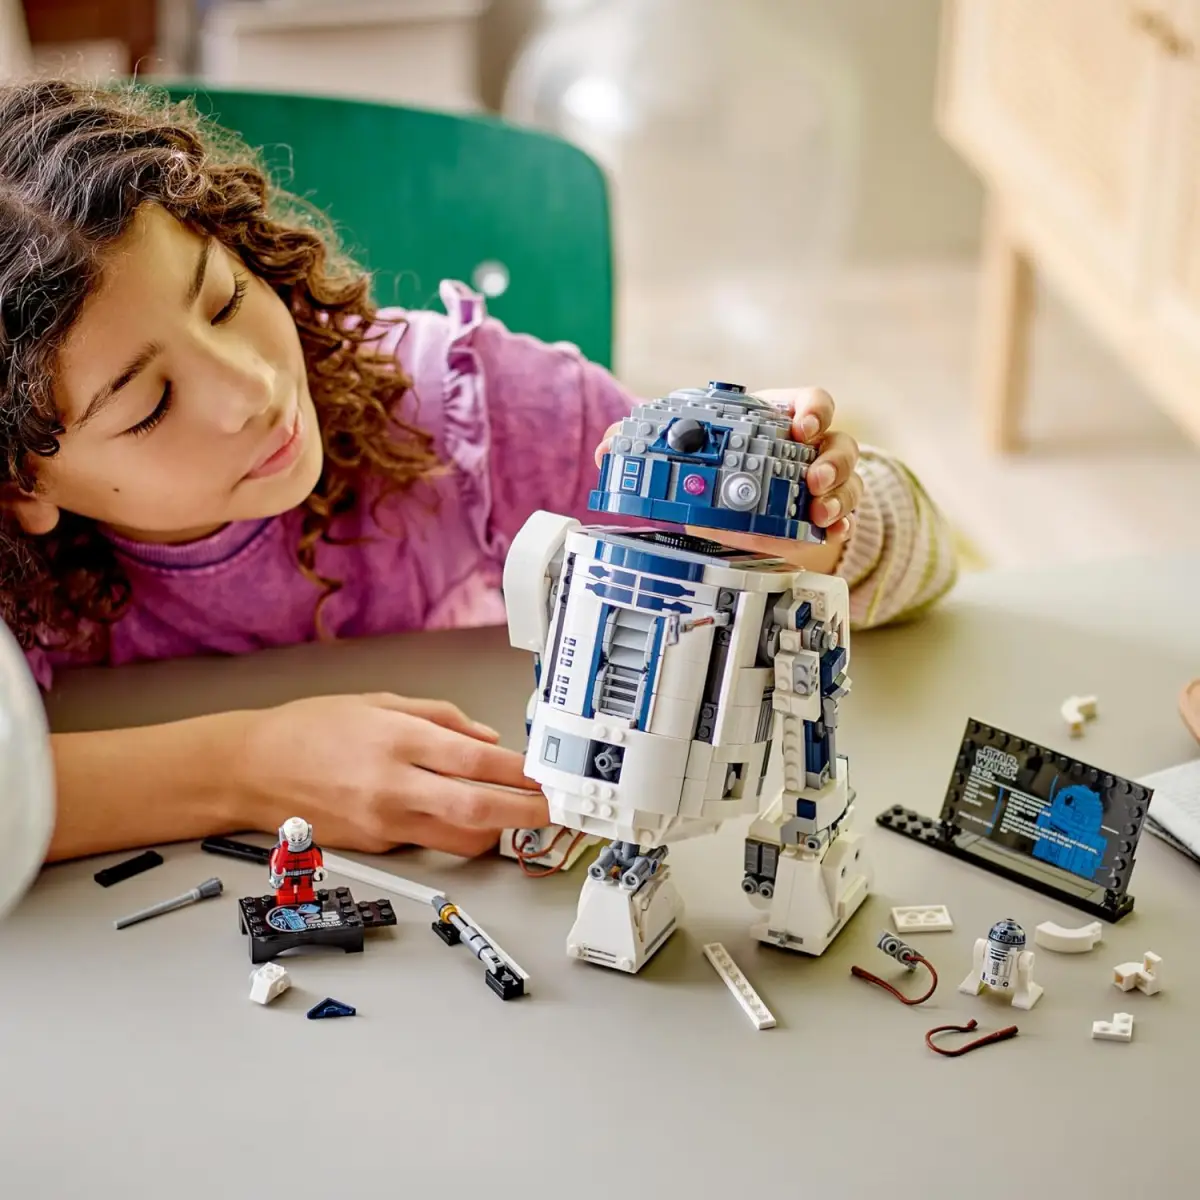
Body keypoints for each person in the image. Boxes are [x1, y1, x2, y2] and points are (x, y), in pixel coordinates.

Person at [0, 79, 958, 868]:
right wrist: (246, 768)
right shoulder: (20, 577)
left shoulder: (478, 409)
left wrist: (820, 520)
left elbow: (929, 561)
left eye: (224, 299)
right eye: (149, 404)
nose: (250, 387)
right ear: (21, 487)